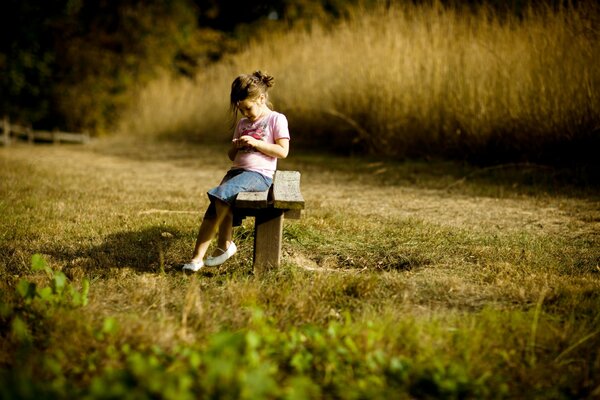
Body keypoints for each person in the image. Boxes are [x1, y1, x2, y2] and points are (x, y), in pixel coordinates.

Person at [183, 71, 290, 272]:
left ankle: (225, 244)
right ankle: (197, 258)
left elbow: (283, 151)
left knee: (221, 195)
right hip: (236, 173)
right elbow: (232, 156)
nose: (245, 114)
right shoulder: (242, 124)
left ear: (261, 98)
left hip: (259, 175)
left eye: (248, 108)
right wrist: (237, 145)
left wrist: (257, 143)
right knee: (214, 208)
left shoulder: (277, 119)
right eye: (241, 110)